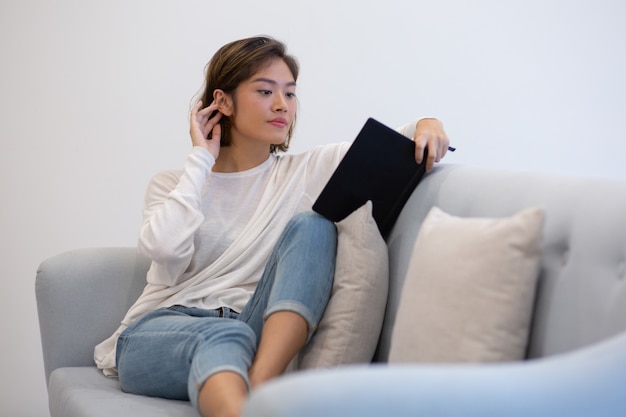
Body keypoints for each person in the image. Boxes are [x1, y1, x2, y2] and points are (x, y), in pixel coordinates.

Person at [94, 35, 450, 417]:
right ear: (223, 102)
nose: (282, 105)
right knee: (225, 335)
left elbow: (385, 143)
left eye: (290, 94)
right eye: (265, 91)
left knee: (313, 225)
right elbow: (163, 249)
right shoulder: (172, 184)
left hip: (251, 332)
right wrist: (201, 157)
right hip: (160, 332)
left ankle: (262, 388)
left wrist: (427, 122)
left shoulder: (305, 173)